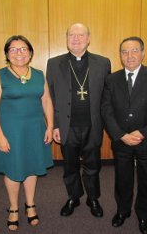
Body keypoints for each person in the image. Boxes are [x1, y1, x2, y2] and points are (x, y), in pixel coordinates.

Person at [101, 37, 147, 233]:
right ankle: (122, 211)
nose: (129, 56)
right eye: (125, 52)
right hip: (121, 141)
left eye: (134, 50)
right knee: (123, 179)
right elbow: (106, 110)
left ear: (143, 52)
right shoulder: (111, 79)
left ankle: (144, 215)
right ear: (120, 55)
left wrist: (144, 132)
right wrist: (120, 134)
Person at [0, 35, 54, 231]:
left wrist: (50, 126)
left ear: (31, 53)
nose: (19, 53)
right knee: (13, 170)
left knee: (32, 167)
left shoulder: (39, 75)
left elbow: (47, 101)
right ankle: (14, 208)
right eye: (14, 49)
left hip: (35, 130)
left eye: (23, 49)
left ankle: (30, 204)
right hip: (10, 132)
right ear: (7, 54)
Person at [46, 23, 111, 218]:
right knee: (70, 165)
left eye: (80, 35)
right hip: (67, 126)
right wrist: (55, 125)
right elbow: (51, 97)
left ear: (88, 38)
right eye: (71, 35)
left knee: (93, 165)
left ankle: (93, 198)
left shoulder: (103, 62)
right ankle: (73, 197)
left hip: (92, 125)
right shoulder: (54, 63)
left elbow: (107, 96)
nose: (76, 38)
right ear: (66, 39)